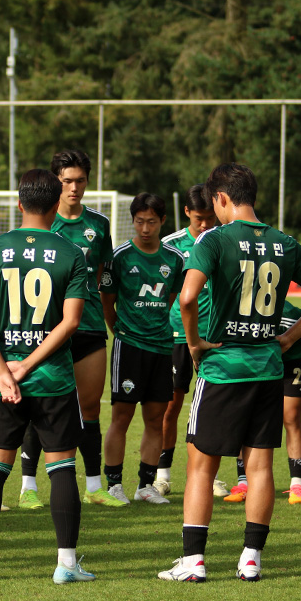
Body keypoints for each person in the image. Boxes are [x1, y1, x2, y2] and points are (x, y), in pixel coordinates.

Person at [158, 163, 301, 583]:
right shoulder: (285, 243)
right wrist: (289, 338)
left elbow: (187, 298)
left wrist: (196, 342)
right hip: (267, 368)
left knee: (201, 466)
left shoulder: (214, 239)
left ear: (220, 198)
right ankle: (251, 558)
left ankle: (193, 561)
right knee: (259, 467)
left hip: (223, 368)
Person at [0, 168, 93, 584]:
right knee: (61, 469)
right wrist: (29, 364)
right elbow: (71, 322)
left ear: (19, 204)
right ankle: (66, 564)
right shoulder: (72, 252)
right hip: (53, 378)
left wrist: (6, 370)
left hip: (4, 383)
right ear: (57, 205)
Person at [17, 150, 122, 509]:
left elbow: (102, 274)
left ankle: (94, 486)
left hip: (89, 325)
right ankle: (28, 487)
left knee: (90, 407)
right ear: (55, 182)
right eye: (66, 181)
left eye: (80, 180)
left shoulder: (100, 224)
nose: (74, 188)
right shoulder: (43, 223)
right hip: (47, 329)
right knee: (39, 404)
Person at [100, 193, 185, 504]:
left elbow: (171, 299)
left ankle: (146, 485)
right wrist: (120, 330)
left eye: (151, 221)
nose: (145, 228)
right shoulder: (120, 256)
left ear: (162, 221)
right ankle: (113, 485)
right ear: (132, 221)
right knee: (121, 416)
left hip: (162, 347)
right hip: (129, 346)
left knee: (155, 417)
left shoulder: (175, 259)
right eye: (139, 221)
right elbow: (107, 301)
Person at [155, 184, 223, 497]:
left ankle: (213, 476)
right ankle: (162, 473)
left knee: (215, 408)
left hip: (216, 337)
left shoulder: (225, 240)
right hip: (177, 338)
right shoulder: (170, 246)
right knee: (171, 407)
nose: (206, 224)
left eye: (211, 217)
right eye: (200, 219)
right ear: (186, 213)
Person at [279, 298, 301, 503]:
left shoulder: (293, 312)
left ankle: (297, 483)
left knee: (291, 418)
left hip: (292, 364)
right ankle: (244, 481)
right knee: (250, 419)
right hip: (257, 362)